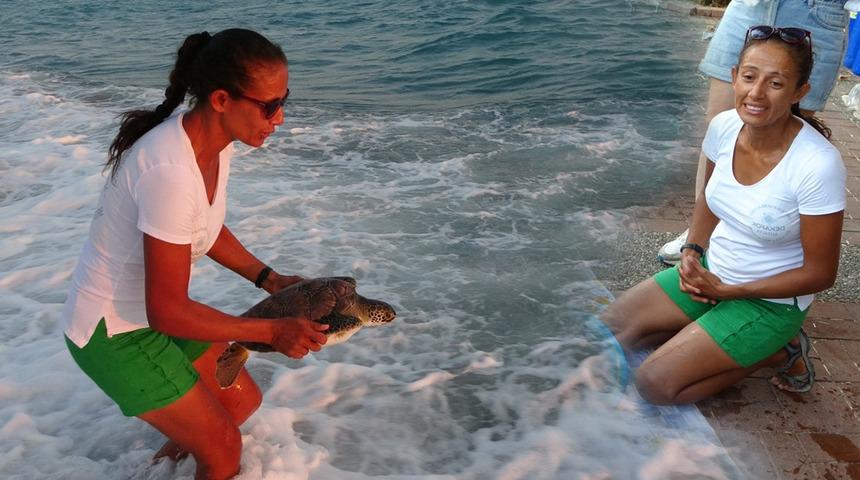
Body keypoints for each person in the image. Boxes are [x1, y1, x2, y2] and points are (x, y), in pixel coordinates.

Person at [61, 29, 329, 479]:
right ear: (222, 99)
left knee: (242, 401)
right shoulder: (170, 170)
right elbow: (167, 311)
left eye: (285, 100)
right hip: (113, 332)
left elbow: (203, 224)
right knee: (224, 450)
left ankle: (158, 470)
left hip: (144, 315)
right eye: (268, 105)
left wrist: (268, 278)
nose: (279, 118)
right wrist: (271, 330)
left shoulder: (209, 143)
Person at [602, 25, 846, 405]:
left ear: (800, 92)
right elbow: (709, 202)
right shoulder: (724, 127)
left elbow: (821, 274)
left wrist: (734, 292)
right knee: (609, 332)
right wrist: (692, 251)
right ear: (734, 76)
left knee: (654, 384)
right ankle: (708, 330)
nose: (756, 93)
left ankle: (780, 350)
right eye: (749, 77)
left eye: (776, 83)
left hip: (769, 301)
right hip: (714, 274)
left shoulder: (817, 164)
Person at [658, 0, 848, 265]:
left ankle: (762, 243)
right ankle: (702, 232)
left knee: (784, 131)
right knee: (720, 126)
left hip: (814, 12)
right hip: (750, 7)